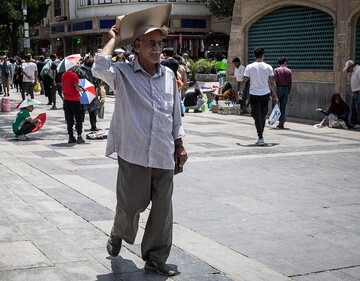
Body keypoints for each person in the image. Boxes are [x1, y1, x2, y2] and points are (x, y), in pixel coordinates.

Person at [92, 3, 187, 277]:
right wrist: (111, 39)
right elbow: (99, 66)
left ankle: (156, 258)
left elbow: (175, 115)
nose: (157, 49)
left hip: (163, 154)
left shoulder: (169, 75)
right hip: (133, 155)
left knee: (163, 211)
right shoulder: (122, 74)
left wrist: (179, 145)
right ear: (137, 45)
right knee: (130, 206)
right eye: (151, 44)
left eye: (160, 43)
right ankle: (118, 232)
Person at [240, 47, 278, 146]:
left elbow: (244, 80)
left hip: (254, 94)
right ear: (263, 55)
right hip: (265, 94)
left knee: (256, 115)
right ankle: (260, 135)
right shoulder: (269, 67)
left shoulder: (249, 67)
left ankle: (260, 136)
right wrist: (275, 95)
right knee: (262, 115)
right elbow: (272, 83)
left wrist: (240, 91)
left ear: (254, 55)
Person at [75, 54, 101, 131]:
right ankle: (80, 126)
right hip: (82, 91)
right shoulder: (79, 69)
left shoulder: (94, 70)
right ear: (85, 60)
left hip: (92, 91)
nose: (90, 59)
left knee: (93, 110)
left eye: (91, 58)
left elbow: (97, 81)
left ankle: (93, 125)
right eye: (88, 58)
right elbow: (76, 80)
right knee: (81, 110)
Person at [62, 65, 85, 144]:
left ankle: (71, 137)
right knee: (79, 119)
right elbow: (76, 88)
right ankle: (79, 136)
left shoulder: (64, 75)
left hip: (66, 100)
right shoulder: (74, 75)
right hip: (75, 100)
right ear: (71, 66)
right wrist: (82, 89)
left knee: (69, 119)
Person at [273, 56, 292, 129]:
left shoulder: (276, 70)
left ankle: (276, 119)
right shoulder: (289, 71)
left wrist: (273, 92)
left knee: (276, 105)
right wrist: (288, 90)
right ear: (285, 62)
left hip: (279, 88)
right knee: (283, 106)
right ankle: (282, 121)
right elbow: (290, 82)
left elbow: (274, 81)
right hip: (286, 88)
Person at [343, 60, 360, 128]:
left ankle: (359, 123)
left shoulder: (358, 70)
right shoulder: (354, 71)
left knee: (358, 108)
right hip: (355, 92)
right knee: (353, 107)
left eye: (348, 68)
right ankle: (353, 122)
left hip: (358, 92)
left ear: (352, 66)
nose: (348, 70)